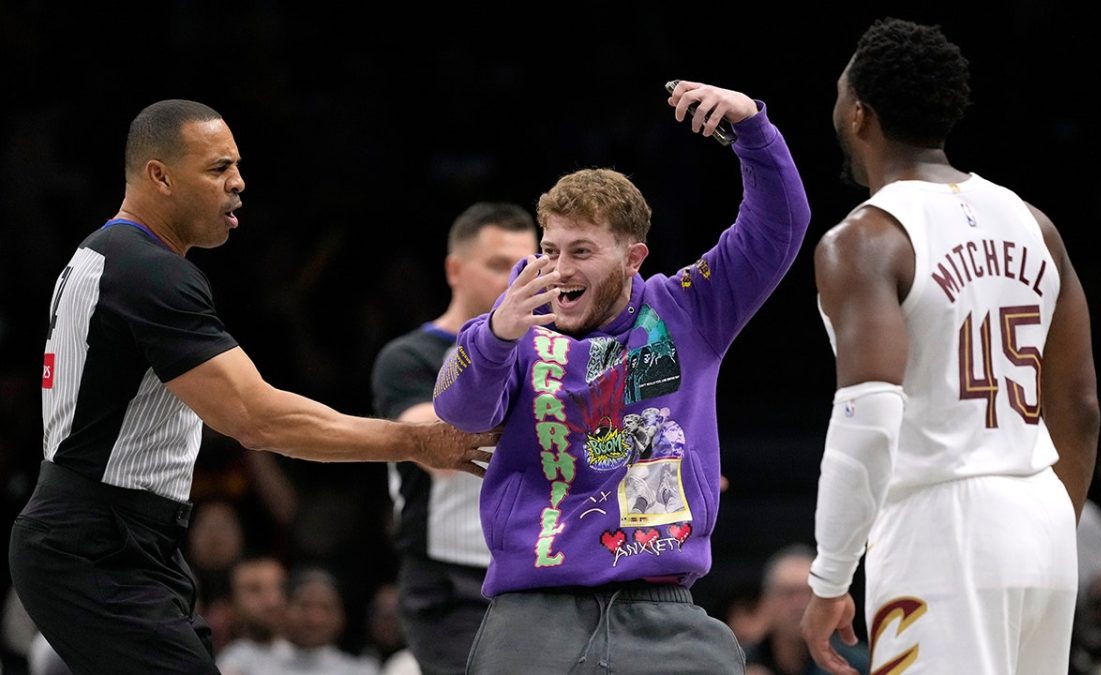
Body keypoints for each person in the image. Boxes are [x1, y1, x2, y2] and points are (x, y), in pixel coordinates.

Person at [7, 98, 499, 675]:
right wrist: (415, 441)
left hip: (105, 537)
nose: (238, 182)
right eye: (218, 168)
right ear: (159, 176)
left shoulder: (100, 254)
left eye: (237, 166)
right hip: (97, 545)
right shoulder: (149, 273)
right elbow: (257, 419)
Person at [433, 80, 811, 674]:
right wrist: (496, 336)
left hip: (659, 606)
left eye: (581, 252)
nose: (559, 269)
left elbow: (777, 230)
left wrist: (752, 130)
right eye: (550, 250)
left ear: (633, 258)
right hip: (534, 610)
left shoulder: (686, 311)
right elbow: (458, 410)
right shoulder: (514, 324)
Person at [798, 18, 1100, 674]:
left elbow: (869, 421)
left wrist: (830, 578)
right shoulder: (1034, 223)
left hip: (940, 526)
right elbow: (1079, 407)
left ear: (859, 115)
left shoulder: (864, 240)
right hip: (1044, 519)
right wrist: (1044, 527)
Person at [371, 201, 537, 674]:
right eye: (498, 265)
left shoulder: (553, 352)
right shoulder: (410, 358)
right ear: (455, 270)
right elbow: (440, 450)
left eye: (527, 266)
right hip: (449, 580)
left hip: (539, 568)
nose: (515, 280)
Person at [744, 543, 869, 675]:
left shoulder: (859, 666)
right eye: (789, 593)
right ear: (766, 602)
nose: (801, 605)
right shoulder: (737, 664)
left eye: (811, 594)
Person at [217, 556, 292, 675]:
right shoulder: (230, 665)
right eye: (255, 590)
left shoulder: (308, 655)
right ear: (232, 602)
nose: (272, 601)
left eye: (278, 588)